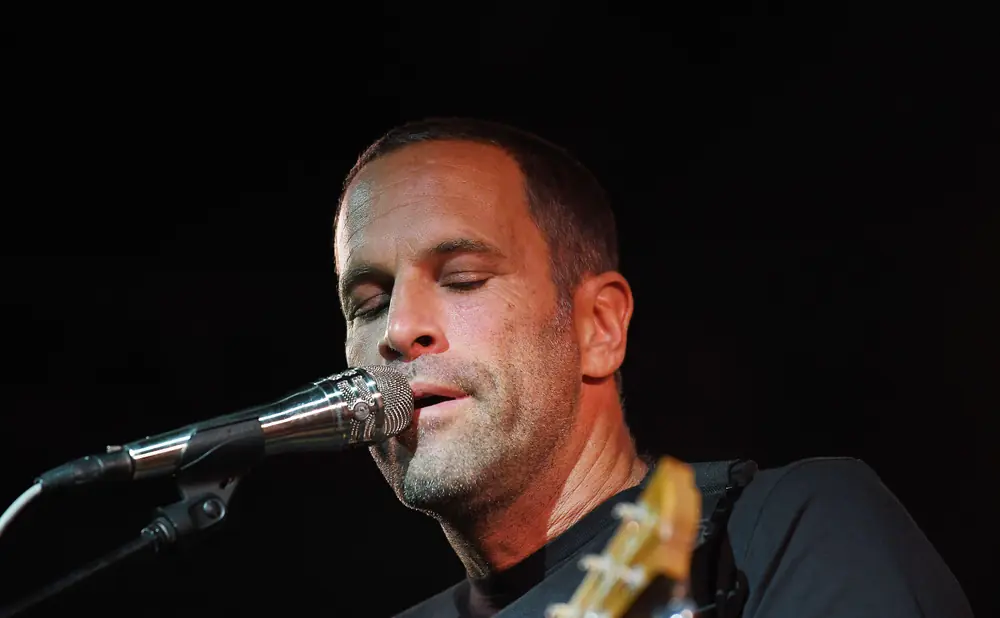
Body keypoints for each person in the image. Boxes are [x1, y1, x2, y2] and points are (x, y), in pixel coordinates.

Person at [332, 117, 973, 618]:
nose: (397, 329)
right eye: (369, 303)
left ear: (599, 328)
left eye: (464, 279)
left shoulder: (777, 532)